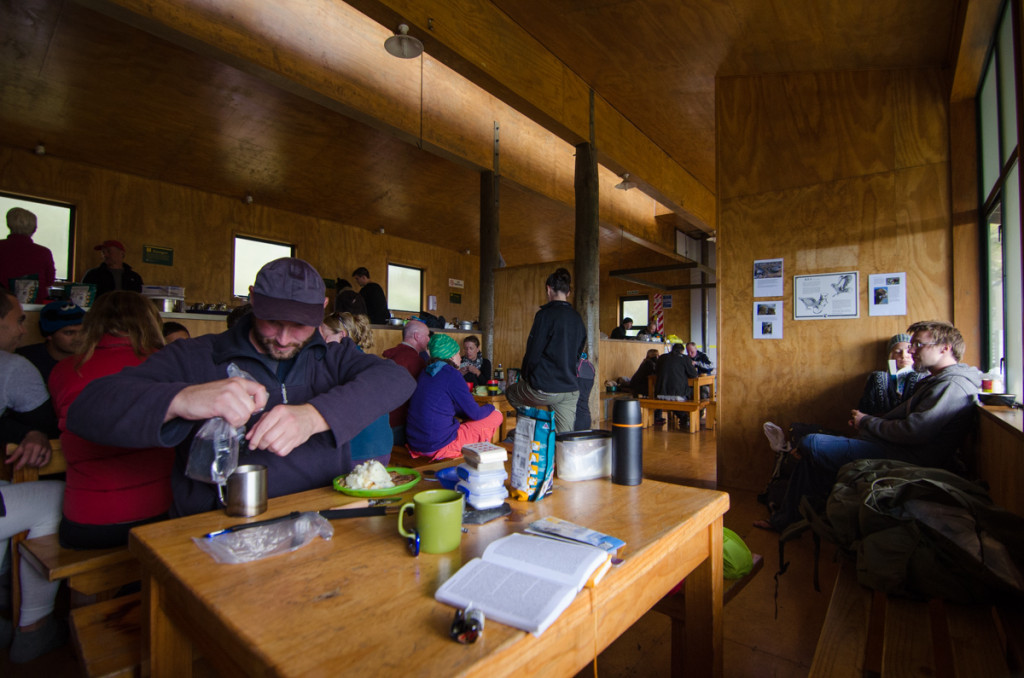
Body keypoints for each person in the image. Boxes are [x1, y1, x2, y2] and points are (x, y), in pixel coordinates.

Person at [66, 258, 417, 517]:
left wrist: (313, 417)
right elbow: (88, 408)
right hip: (218, 529)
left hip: (318, 518)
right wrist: (181, 399)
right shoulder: (197, 357)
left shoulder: (332, 358)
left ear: (321, 311)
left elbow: (396, 379)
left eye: (299, 326)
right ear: (252, 299)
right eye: (272, 321)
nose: (282, 338)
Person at [758, 320, 982, 532]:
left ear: (945, 348)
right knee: (811, 455)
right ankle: (788, 522)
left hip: (909, 458)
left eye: (918, 345)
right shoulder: (937, 380)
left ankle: (789, 520)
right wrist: (869, 420)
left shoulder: (952, 385)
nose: (912, 351)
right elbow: (903, 420)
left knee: (810, 442)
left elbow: (914, 431)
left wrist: (867, 422)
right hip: (897, 449)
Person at [49, 292, 175, 549]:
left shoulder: (64, 370)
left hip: (87, 520)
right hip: (161, 513)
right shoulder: (166, 365)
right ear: (150, 321)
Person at [0, 287, 65, 663]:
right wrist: (33, 432)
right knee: (56, 497)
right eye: (18, 319)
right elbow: (45, 422)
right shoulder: (11, 366)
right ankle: (34, 627)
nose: (23, 330)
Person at [504, 268, 587, 433]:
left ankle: (530, 430)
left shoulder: (545, 315)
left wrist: (526, 376)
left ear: (548, 289)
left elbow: (533, 353)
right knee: (563, 439)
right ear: (568, 293)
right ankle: (552, 446)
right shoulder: (577, 318)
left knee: (511, 393)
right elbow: (579, 353)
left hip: (545, 387)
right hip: (570, 388)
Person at [405, 334, 502, 460]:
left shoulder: (425, 372)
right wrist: (490, 407)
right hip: (438, 446)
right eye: (457, 354)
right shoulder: (452, 374)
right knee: (496, 415)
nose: (460, 358)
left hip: (415, 444)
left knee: (464, 420)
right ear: (450, 356)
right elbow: (476, 414)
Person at [319, 311, 391, 463]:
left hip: (357, 454)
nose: (321, 341)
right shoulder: (366, 359)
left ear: (342, 335)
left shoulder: (338, 366)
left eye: (325, 336)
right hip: (382, 449)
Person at [382, 320, 429, 445]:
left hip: (382, 420)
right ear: (417, 336)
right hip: (399, 424)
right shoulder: (415, 361)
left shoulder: (392, 355)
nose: (429, 339)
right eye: (427, 335)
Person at [16, 300, 86, 383]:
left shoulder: (90, 359)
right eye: (69, 333)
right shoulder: (24, 361)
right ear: (49, 334)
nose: (78, 338)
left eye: (83, 332)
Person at [857, 333, 923, 416]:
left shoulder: (923, 376)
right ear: (891, 356)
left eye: (908, 351)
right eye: (898, 352)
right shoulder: (880, 378)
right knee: (878, 376)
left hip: (912, 418)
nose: (904, 356)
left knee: (916, 376)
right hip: (884, 417)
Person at [0, 207, 56, 300]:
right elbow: (49, 281)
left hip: (3, 305)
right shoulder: (44, 252)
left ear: (9, 225)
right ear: (34, 229)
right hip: (36, 307)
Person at [654, 342, 698, 426]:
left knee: (671, 397)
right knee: (693, 393)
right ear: (682, 351)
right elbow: (693, 375)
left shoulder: (662, 357)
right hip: (678, 394)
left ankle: (683, 417)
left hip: (660, 393)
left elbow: (656, 371)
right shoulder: (685, 358)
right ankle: (687, 417)